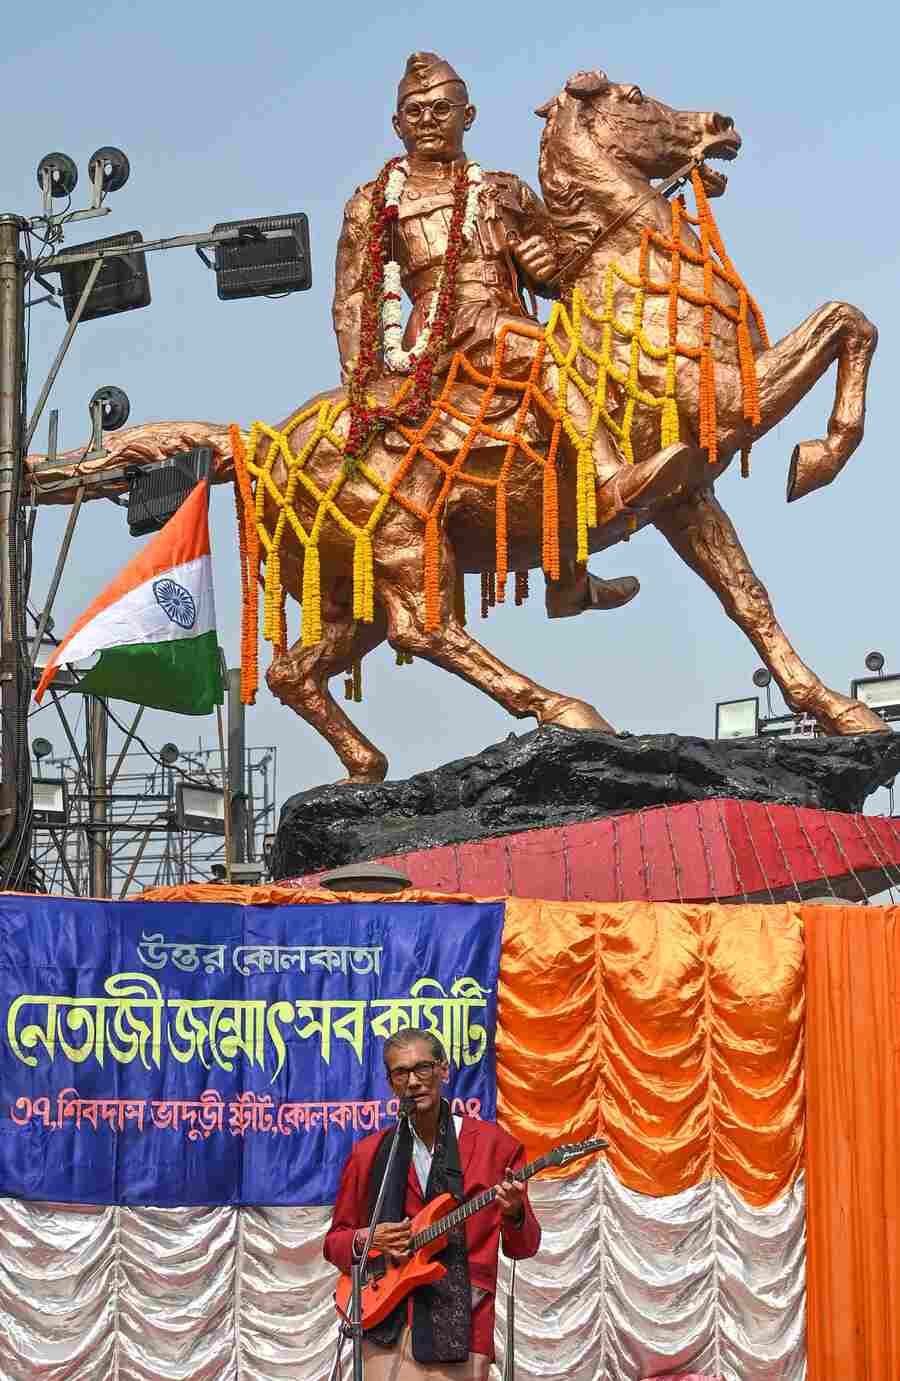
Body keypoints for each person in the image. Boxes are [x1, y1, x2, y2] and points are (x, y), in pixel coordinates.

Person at [324, 1027, 541, 1380]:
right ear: (390, 1082)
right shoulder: (369, 1154)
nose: (413, 1081)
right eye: (401, 1072)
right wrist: (368, 1239)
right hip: (387, 1319)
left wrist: (515, 1212)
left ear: (443, 1070)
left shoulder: (494, 1147)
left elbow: (524, 1246)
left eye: (422, 1068)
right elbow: (333, 1244)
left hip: (462, 1321)